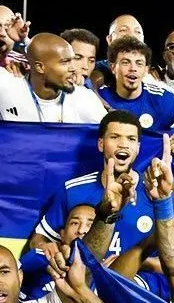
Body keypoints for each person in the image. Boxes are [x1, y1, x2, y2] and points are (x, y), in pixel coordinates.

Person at [33, 110, 152, 260]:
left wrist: (122, 266)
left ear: (138, 147)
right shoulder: (72, 191)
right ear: (101, 144)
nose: (123, 145)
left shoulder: (154, 192)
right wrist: (47, 247)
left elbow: (172, 254)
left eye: (131, 139)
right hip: (82, 279)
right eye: (115, 137)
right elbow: (39, 239)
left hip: (135, 281)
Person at [0, 33, 105, 124]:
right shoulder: (1, 81)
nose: (74, 68)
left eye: (73, 60)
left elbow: (114, 132)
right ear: (39, 67)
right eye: (65, 62)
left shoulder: (85, 99)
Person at [98, 37, 174, 134]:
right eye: (125, 62)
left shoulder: (162, 97)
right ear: (113, 67)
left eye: (139, 63)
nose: (133, 68)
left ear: (146, 70)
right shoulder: (99, 98)